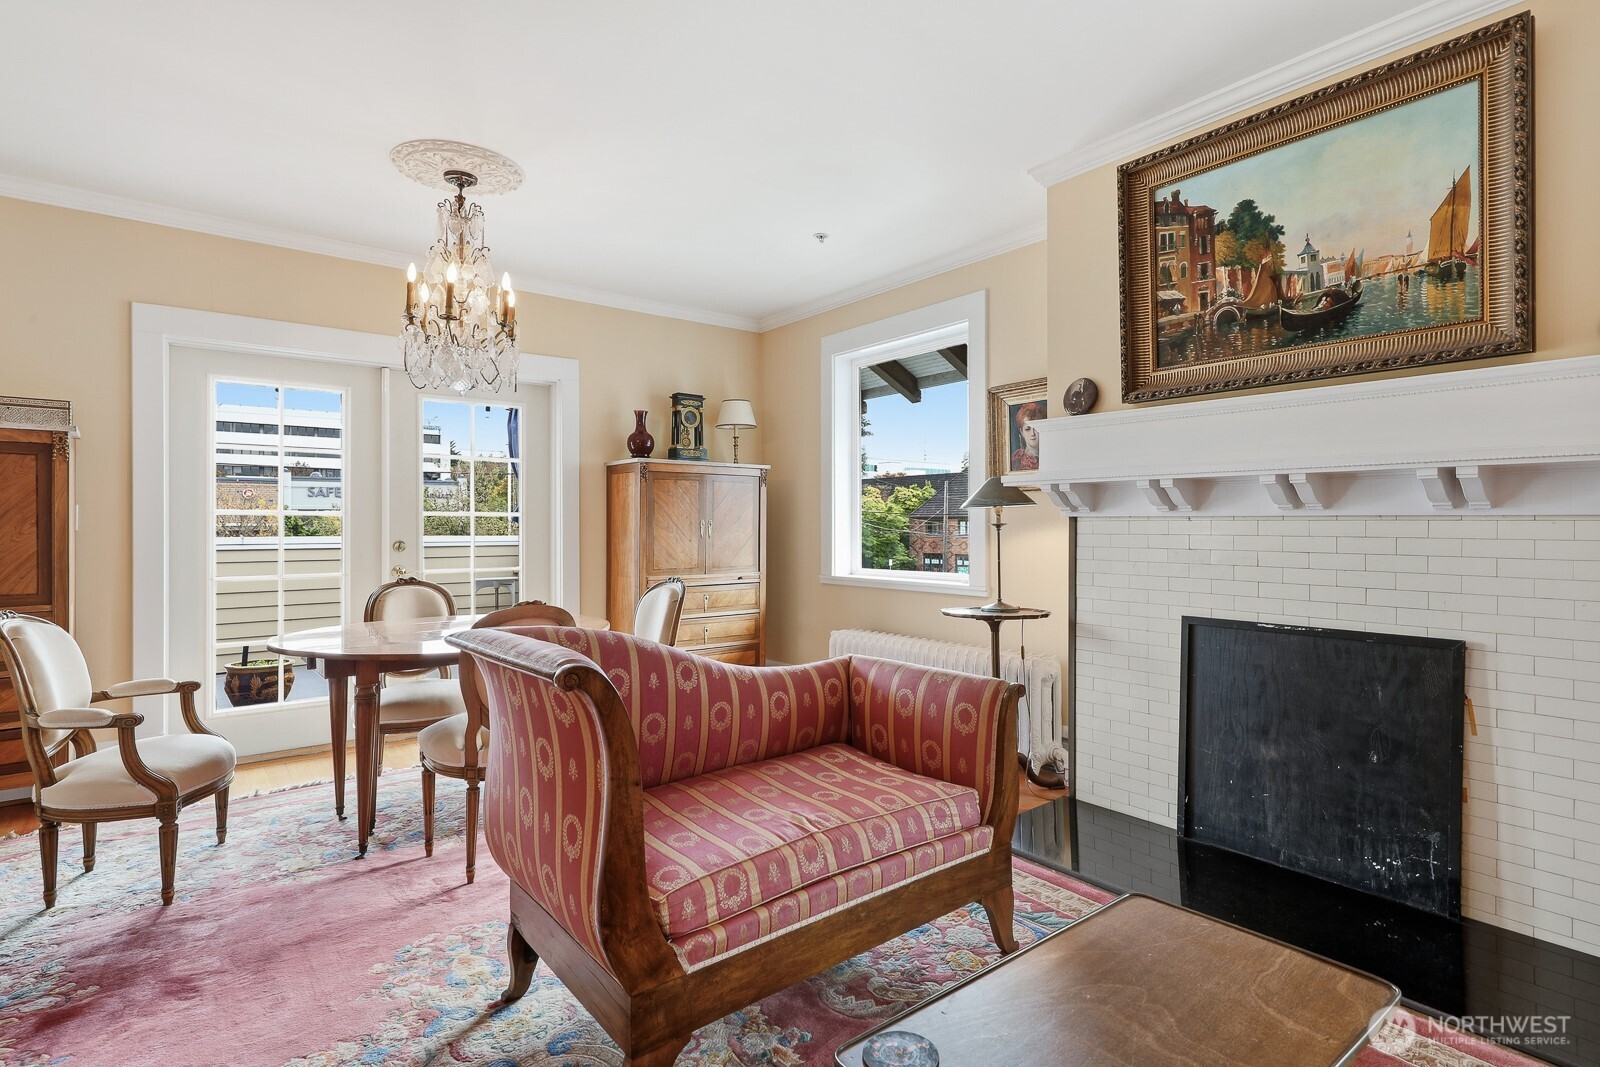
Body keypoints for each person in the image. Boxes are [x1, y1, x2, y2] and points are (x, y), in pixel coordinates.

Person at [1010, 401, 1046, 471]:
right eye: (1027, 429)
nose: (1033, 433)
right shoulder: (1016, 459)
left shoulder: (1049, 456)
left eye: (1036, 428)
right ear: (1021, 432)